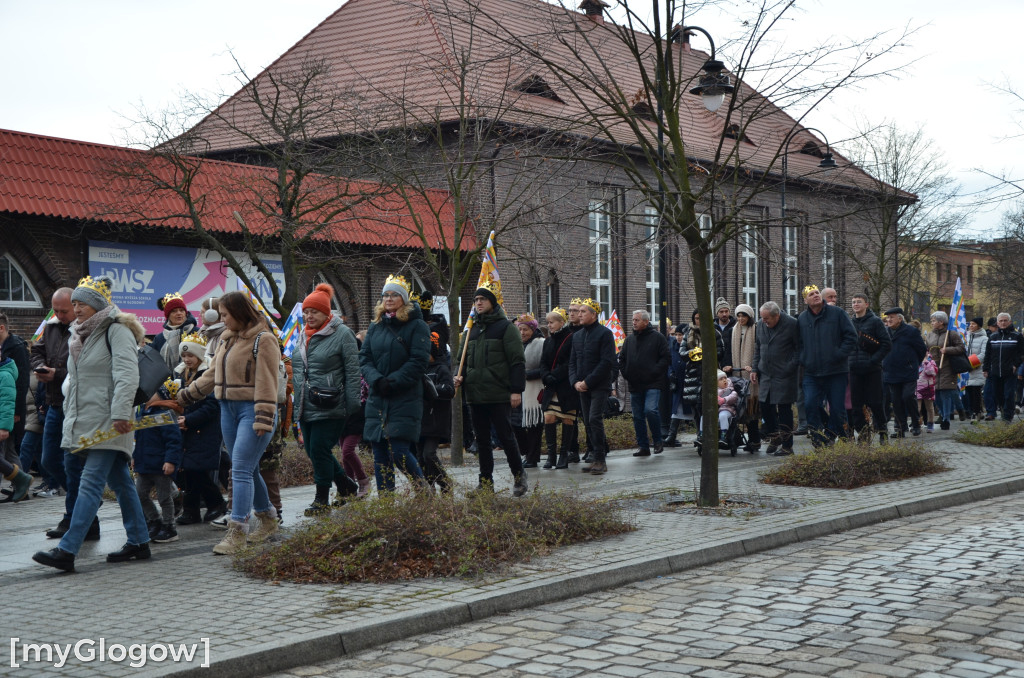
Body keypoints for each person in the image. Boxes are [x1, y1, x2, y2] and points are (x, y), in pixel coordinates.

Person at [32, 276, 152, 572]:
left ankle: (68, 549)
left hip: (111, 420)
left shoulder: (116, 330)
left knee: (89, 484)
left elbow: (127, 375)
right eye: (74, 303)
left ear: (96, 304)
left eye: (81, 303)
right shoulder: (81, 334)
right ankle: (139, 541)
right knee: (121, 483)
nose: (76, 308)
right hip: (91, 418)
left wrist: (122, 413)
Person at [178, 291, 281, 555]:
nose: (221, 319)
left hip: (252, 409)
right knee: (245, 467)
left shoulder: (264, 339)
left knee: (241, 469)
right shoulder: (227, 339)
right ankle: (268, 519)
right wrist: (189, 393)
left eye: (225, 315)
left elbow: (268, 380)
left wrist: (264, 416)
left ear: (239, 312)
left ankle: (237, 531)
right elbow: (213, 373)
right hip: (228, 409)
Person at [453, 281, 529, 493]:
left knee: (506, 437)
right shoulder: (471, 330)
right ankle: (485, 482)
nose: (478, 303)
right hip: (475, 395)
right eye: (476, 300)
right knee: (483, 441)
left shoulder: (506, 328)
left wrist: (516, 390)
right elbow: (462, 361)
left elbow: (517, 361)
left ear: (492, 302)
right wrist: (459, 377)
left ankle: (519, 475)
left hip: (498, 393)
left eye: (482, 299)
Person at [292, 284, 361, 515]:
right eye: (306, 312)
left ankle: (321, 499)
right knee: (313, 451)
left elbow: (353, 371)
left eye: (314, 312)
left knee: (320, 448)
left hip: (332, 403)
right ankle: (346, 485)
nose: (309, 316)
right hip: (306, 403)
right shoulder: (303, 335)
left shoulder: (343, 334)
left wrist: (352, 404)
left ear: (327, 313)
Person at [359, 275, 430, 493]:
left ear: (404, 299)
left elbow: (419, 361)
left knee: (399, 450)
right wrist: (376, 380)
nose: (389, 299)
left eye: (394, 295)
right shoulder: (376, 326)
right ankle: (386, 503)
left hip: (404, 397)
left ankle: (421, 487)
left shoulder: (417, 325)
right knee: (380, 453)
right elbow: (365, 357)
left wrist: (394, 381)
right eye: (386, 295)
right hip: (378, 396)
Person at [31, 288, 86, 539]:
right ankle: (85, 510)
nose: (60, 315)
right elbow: (36, 350)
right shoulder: (51, 325)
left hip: (74, 404)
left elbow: (84, 368)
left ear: (75, 306)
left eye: (64, 310)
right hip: (54, 403)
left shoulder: (84, 328)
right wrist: (40, 368)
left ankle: (74, 516)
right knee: (48, 460)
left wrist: (58, 373)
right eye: (56, 310)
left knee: (73, 466)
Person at [171, 333, 227, 525]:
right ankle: (192, 510)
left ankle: (215, 504)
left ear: (200, 356)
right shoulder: (179, 374)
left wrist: (189, 419)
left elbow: (212, 405)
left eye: (191, 356)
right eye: (184, 356)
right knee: (189, 470)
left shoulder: (207, 374)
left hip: (204, 429)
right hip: (187, 428)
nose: (187, 359)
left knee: (196, 470)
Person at [797, 285, 857, 447]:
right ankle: (818, 437)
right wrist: (804, 358)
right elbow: (798, 344)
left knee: (837, 409)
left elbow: (851, 337)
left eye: (817, 292)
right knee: (810, 404)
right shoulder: (802, 319)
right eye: (811, 294)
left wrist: (838, 355)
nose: (816, 295)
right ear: (805, 300)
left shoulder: (837, 314)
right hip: (812, 372)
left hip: (836, 371)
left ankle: (831, 434)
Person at [568, 298, 616, 475]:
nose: (578, 315)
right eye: (578, 312)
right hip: (581, 386)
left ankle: (601, 460)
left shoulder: (604, 334)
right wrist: (575, 382)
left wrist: (588, 381)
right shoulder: (577, 336)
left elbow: (606, 362)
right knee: (587, 421)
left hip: (599, 385)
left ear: (594, 314)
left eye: (583, 312)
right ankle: (594, 457)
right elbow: (572, 362)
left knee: (595, 419)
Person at [618, 309, 669, 457]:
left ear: (646, 322)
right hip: (635, 383)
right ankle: (643, 446)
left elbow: (665, 359)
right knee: (638, 416)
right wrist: (627, 373)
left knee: (650, 410)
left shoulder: (658, 338)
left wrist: (654, 371)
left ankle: (658, 440)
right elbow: (622, 359)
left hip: (653, 383)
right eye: (633, 320)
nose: (633, 322)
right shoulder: (629, 340)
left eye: (637, 320)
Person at [133, 393, 184, 543]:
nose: (146, 394)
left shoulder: (165, 413)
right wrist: (135, 457)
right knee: (140, 494)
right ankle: (154, 520)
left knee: (164, 498)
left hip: (160, 465)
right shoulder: (143, 412)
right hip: (144, 464)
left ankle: (169, 527)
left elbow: (173, 441)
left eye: (152, 392)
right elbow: (139, 439)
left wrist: (170, 461)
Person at [751, 301, 800, 456]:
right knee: (765, 406)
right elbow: (758, 347)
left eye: (767, 319)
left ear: (777, 315)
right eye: (762, 319)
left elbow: (799, 349)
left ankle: (787, 445)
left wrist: (790, 367)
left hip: (784, 374)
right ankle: (775, 436)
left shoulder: (792, 324)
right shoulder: (760, 325)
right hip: (766, 373)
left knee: (784, 408)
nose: (764, 322)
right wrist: (754, 368)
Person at [848, 294, 892, 444]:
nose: (855, 304)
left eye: (859, 302)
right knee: (856, 406)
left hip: (872, 369)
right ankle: (863, 433)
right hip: (854, 369)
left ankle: (882, 432)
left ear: (866, 304)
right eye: (853, 302)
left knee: (876, 403)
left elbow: (887, 344)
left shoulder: (875, 322)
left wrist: (873, 360)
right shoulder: (849, 322)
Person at [418, 322, 455, 493]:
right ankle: (430, 485)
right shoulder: (419, 369)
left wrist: (432, 390)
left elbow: (449, 390)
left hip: (435, 419)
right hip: (420, 418)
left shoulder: (441, 369)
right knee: (420, 457)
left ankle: (445, 482)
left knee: (429, 454)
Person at [539, 307, 578, 469]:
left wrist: (555, 375)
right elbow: (543, 362)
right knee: (549, 417)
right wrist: (545, 375)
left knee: (567, 419)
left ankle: (564, 454)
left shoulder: (571, 338)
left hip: (566, 387)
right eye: (547, 323)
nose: (549, 325)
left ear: (562, 322)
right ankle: (551, 456)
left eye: (552, 322)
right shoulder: (548, 340)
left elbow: (569, 362)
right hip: (551, 386)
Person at [881, 308, 927, 437]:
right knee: (896, 401)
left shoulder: (911, 331)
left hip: (908, 371)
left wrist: (913, 363)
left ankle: (916, 424)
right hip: (891, 371)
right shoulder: (885, 332)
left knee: (907, 396)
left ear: (900, 319)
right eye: (887, 318)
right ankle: (901, 428)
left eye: (892, 317)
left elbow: (921, 349)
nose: (889, 320)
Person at [681, 309, 725, 443]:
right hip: (693, 374)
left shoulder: (714, 332)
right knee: (696, 406)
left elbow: (721, 351)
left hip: (709, 372)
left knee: (708, 404)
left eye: (702, 318)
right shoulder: (688, 333)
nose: (699, 321)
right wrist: (692, 353)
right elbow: (681, 352)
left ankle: (710, 433)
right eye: (697, 318)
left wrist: (706, 353)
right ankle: (700, 433)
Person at [722, 303, 760, 452]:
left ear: (749, 316)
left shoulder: (755, 330)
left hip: (751, 376)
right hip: (737, 374)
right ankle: (736, 438)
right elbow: (728, 351)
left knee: (751, 407)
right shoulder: (733, 331)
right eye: (738, 315)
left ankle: (755, 439)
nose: (740, 318)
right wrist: (728, 365)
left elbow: (758, 350)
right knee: (737, 407)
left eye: (743, 315)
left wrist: (754, 367)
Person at [512, 313, 545, 468]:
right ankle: (525, 452)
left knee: (533, 426)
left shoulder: (541, 344)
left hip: (534, 389)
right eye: (520, 329)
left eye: (525, 329)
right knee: (515, 423)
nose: (522, 333)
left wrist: (527, 374)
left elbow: (545, 368)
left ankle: (532, 457)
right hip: (517, 389)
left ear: (532, 329)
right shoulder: (515, 344)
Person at [923, 311, 965, 430]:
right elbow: (926, 348)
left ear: (941, 322)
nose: (932, 323)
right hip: (933, 368)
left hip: (948, 367)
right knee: (936, 394)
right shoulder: (930, 335)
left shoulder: (951, 334)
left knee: (945, 393)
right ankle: (943, 412)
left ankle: (946, 418)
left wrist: (948, 350)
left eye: (934, 321)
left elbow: (961, 348)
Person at [0, 346, 32, 502]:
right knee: (8, 454)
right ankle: (21, 480)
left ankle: (21, 479)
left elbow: (7, 402)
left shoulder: (5, 375)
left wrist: (4, 427)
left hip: (1, 424)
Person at [983, 312, 1024, 422]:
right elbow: (988, 354)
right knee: (997, 394)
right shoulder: (993, 337)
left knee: (1009, 394)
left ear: (1010, 322)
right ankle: (1002, 409)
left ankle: (1007, 415)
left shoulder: (1017, 336)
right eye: (1001, 321)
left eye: (1005, 320)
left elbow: (1021, 353)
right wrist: (986, 369)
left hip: (1010, 371)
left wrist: (1016, 364)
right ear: (997, 323)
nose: (1003, 322)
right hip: (995, 371)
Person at [0, 313, 29, 463]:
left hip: (10, 407)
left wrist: (17, 411)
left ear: (1, 328)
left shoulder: (17, 347)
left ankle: (21, 482)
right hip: (5, 406)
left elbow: (22, 381)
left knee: (8, 448)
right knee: (9, 450)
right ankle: (20, 482)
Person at [151, 292, 197, 373]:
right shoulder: (160, 338)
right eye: (174, 311)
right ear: (168, 316)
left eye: (182, 310)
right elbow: (154, 362)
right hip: (166, 382)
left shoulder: (196, 332)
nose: (179, 313)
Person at [963, 317, 988, 419]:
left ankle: (977, 412)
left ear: (979, 325)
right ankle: (972, 411)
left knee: (976, 391)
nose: (971, 326)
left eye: (974, 324)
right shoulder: (966, 337)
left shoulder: (984, 338)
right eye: (970, 324)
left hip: (977, 369)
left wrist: (971, 364)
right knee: (968, 391)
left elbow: (983, 354)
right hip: (966, 369)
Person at [716, 370, 738, 443]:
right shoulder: (713, 391)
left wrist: (724, 399)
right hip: (715, 410)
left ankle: (724, 434)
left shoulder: (731, 391)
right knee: (704, 416)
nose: (724, 380)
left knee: (723, 415)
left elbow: (733, 397)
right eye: (721, 379)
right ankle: (701, 433)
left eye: (725, 378)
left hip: (727, 409)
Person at [916, 354, 937, 432]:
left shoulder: (931, 361)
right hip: (916, 388)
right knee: (917, 408)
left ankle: (930, 424)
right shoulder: (915, 360)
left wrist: (926, 363)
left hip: (928, 387)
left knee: (930, 407)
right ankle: (916, 424)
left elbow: (932, 372)